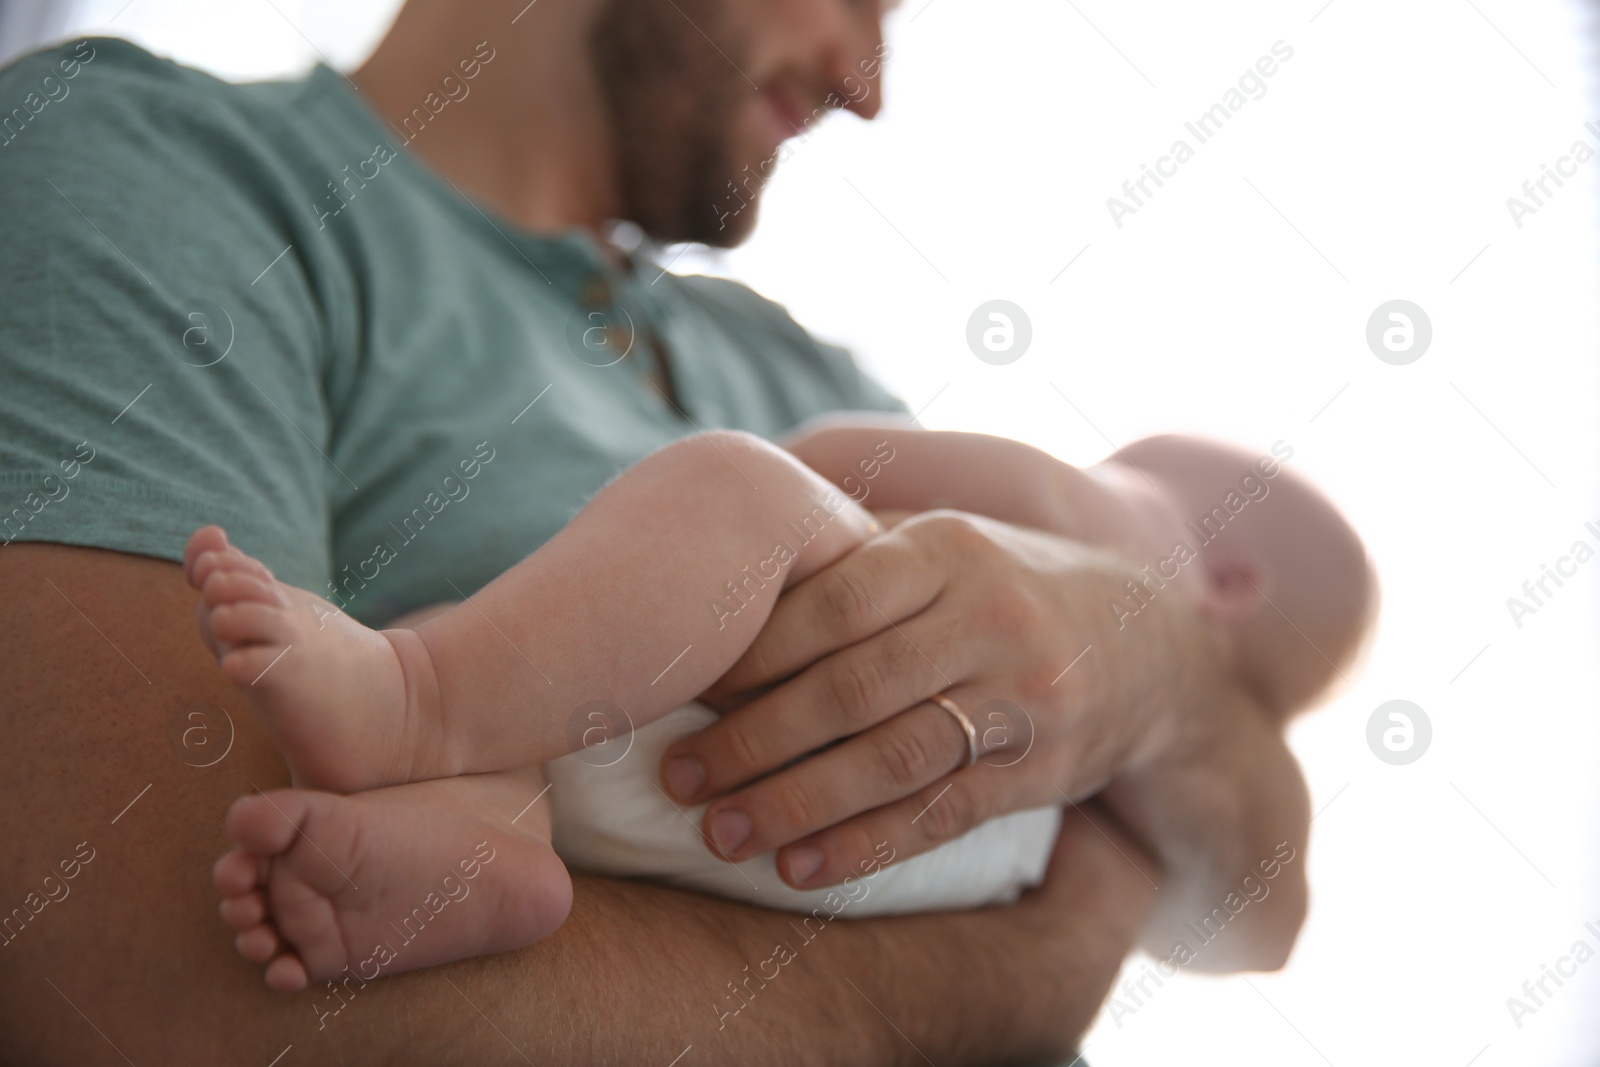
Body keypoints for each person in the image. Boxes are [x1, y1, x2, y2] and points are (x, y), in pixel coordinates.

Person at [0, 0, 1323, 1061]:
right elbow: (165, 996)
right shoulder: (151, 173)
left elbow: (1262, 908)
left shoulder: (820, 380)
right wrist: (1021, 979)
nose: (867, 81)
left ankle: (435, 716)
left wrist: (1142, 671)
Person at [190, 422, 1371, 993]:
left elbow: (843, 465)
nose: (1095, 467)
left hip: (734, 707)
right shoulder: (1125, 793)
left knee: (735, 485)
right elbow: (1248, 936)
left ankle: (414, 703)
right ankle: (488, 847)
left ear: (1226, 576)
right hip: (890, 874)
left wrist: (755, 496)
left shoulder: (1120, 534)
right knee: (543, 719)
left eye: (1130, 460)